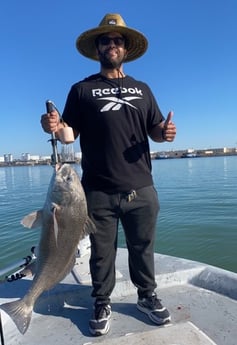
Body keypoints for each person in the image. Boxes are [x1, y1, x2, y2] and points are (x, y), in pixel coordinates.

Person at [41, 13, 176, 336]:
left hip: (141, 187)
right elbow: (69, 134)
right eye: (105, 40)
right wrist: (55, 127)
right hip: (97, 190)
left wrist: (165, 132)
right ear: (97, 48)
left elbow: (154, 130)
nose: (111, 45)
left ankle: (147, 297)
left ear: (125, 48)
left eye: (117, 40)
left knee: (143, 248)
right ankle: (102, 301)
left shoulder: (142, 89)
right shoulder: (82, 90)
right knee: (101, 253)